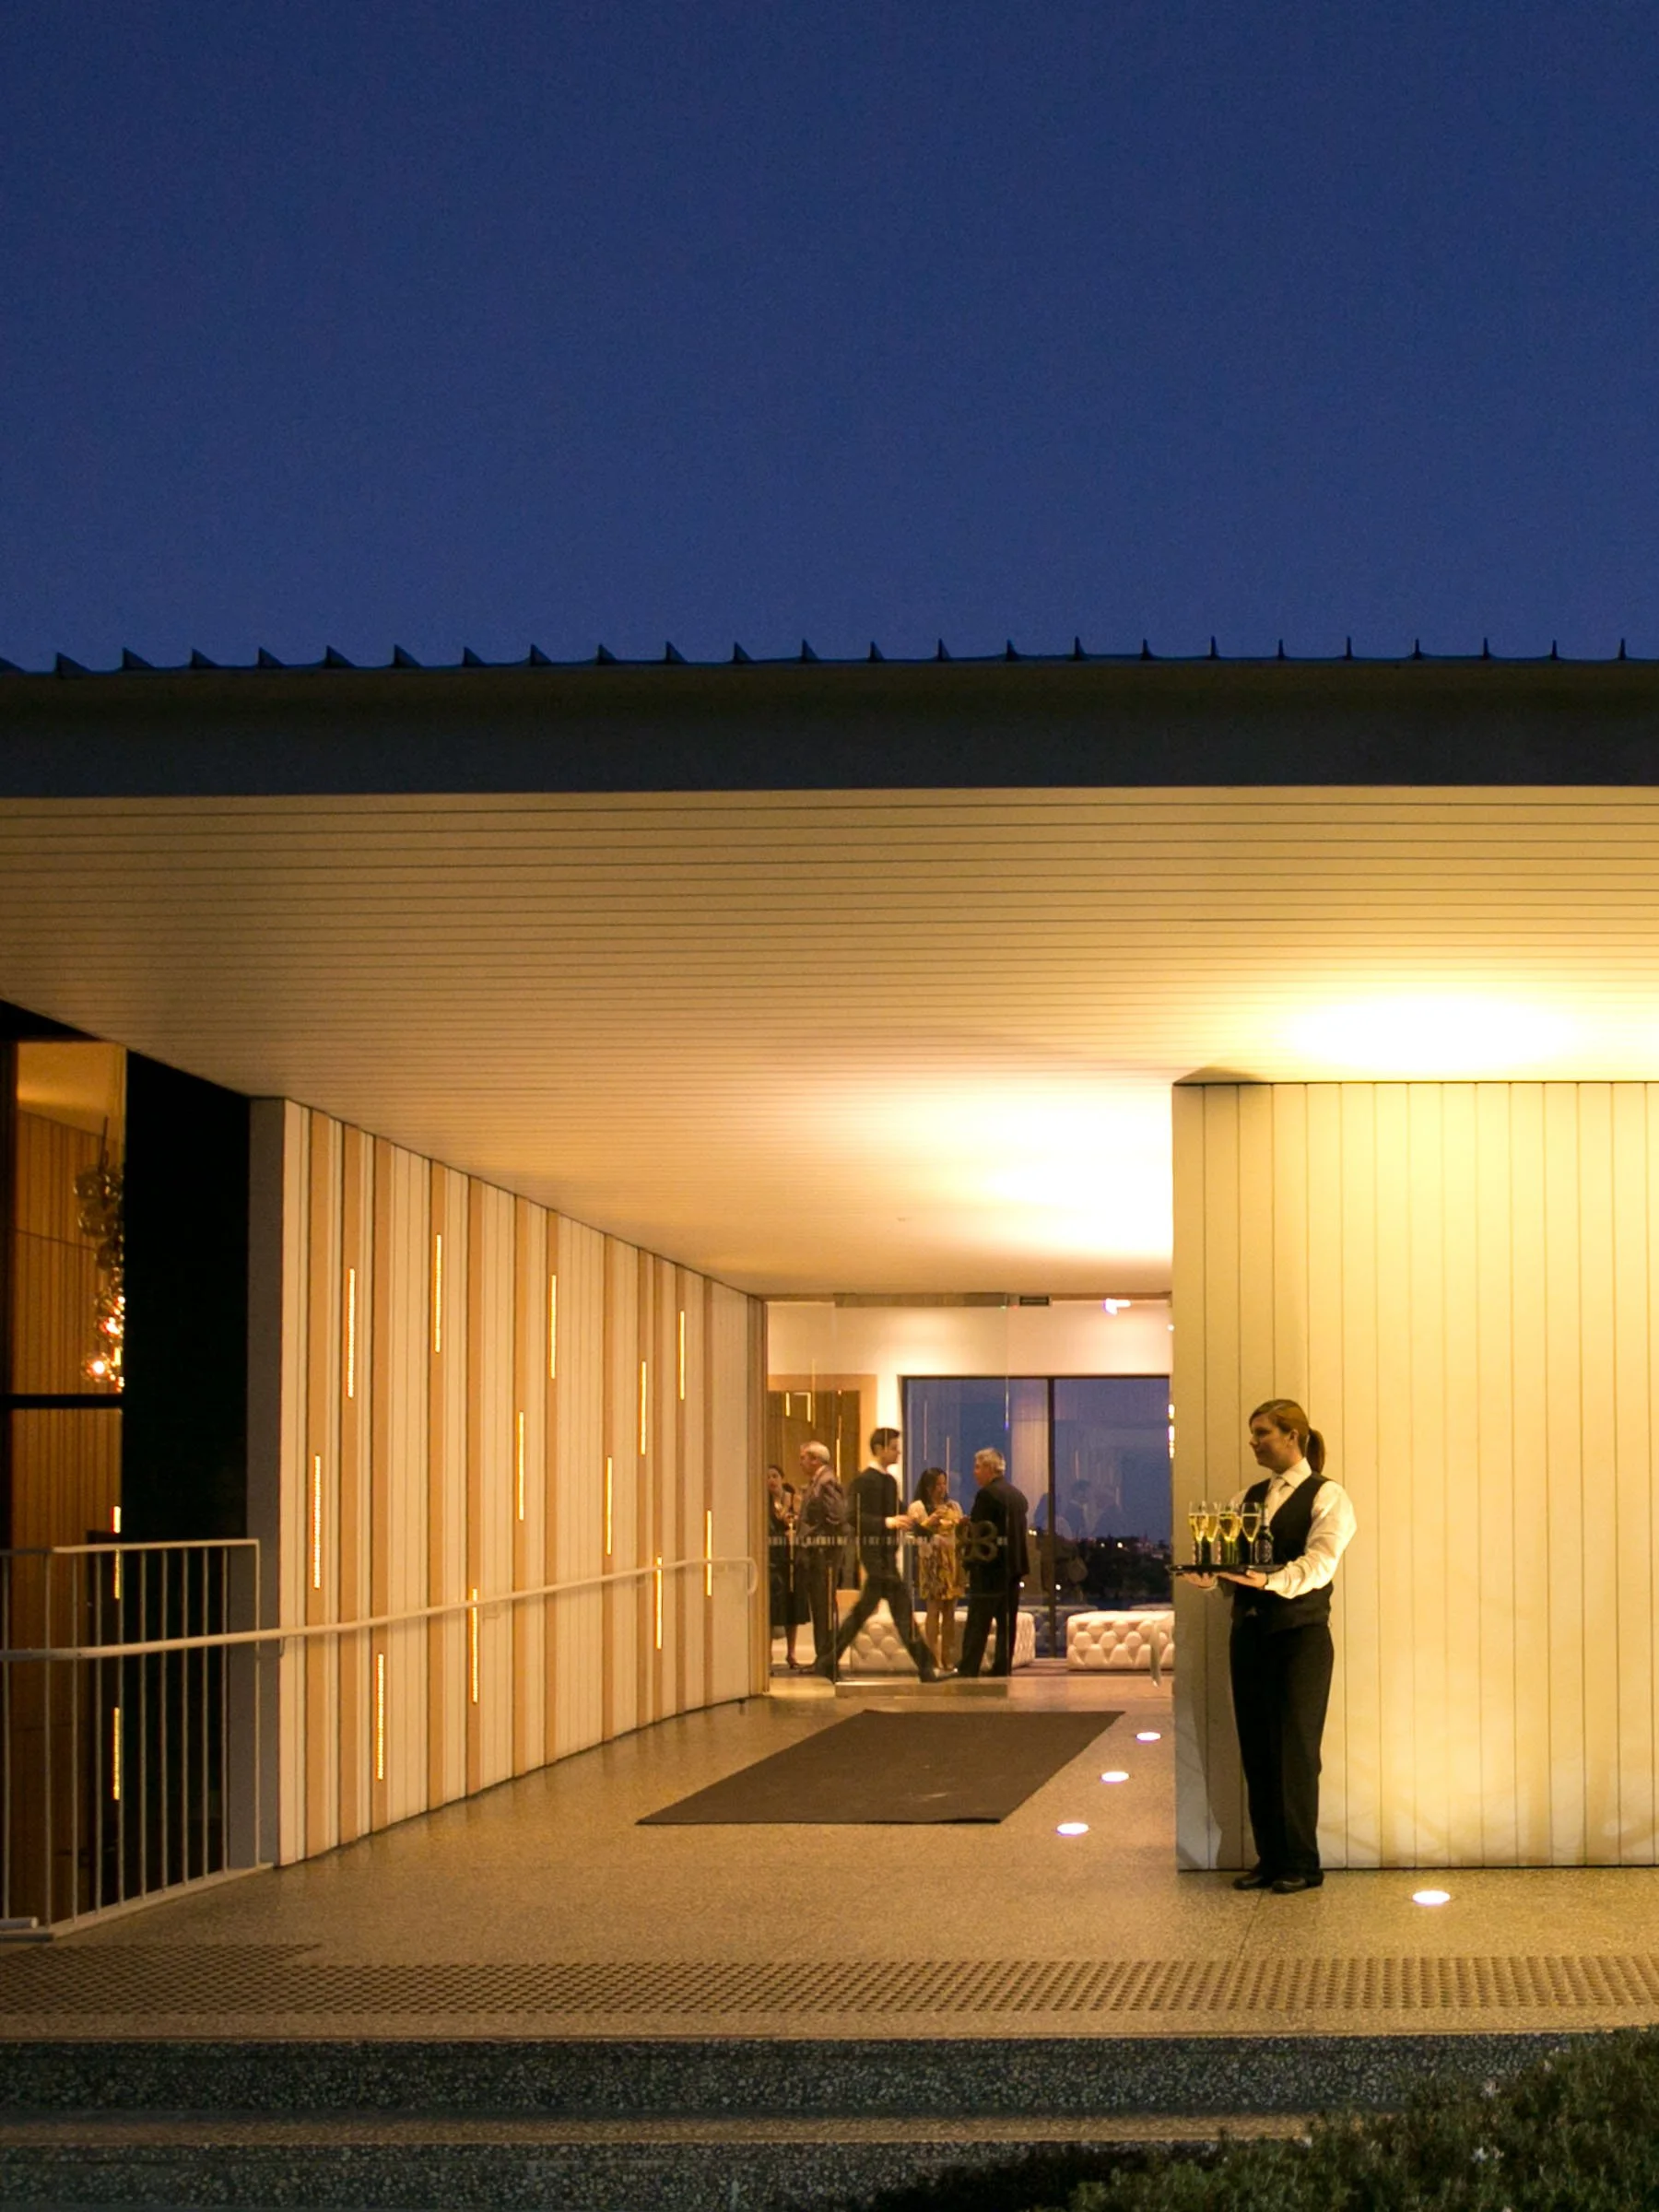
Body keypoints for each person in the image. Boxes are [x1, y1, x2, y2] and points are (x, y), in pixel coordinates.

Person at [1190, 1397, 1357, 1895]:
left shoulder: (1329, 1496)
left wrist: (1265, 1584)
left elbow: (1319, 1566)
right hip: (1250, 1635)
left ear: (1293, 1436)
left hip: (1300, 1638)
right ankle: (1270, 1858)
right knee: (1257, 1748)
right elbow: (1234, 1572)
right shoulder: (1246, 1496)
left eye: (1262, 1432)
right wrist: (1213, 1581)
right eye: (1252, 1432)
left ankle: (1302, 1863)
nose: (1253, 1441)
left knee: (1297, 1751)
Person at [830, 1429, 947, 1682]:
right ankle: (926, 1668)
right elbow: (853, 1517)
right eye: (894, 1447)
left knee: (866, 1612)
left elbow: (902, 1514)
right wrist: (887, 1522)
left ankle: (828, 1660)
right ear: (879, 1449)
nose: (898, 1451)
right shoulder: (864, 1481)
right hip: (875, 1558)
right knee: (900, 1612)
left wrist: (927, 1535)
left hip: (886, 1558)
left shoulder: (889, 1482)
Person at [956, 1447, 1029, 1678]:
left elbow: (979, 1535)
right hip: (1013, 1567)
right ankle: (1002, 1666)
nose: (975, 1472)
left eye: (978, 1467)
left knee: (978, 1622)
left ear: (989, 1468)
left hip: (989, 1569)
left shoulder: (986, 1495)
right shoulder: (1017, 1495)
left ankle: (969, 1668)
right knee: (1007, 1622)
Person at [794, 1442, 847, 1671]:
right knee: (819, 1606)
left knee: (824, 1606)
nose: (801, 1462)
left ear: (816, 1459)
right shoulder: (819, 1481)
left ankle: (826, 1659)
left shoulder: (827, 1482)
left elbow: (836, 1517)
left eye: (804, 1457)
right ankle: (823, 1657)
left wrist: (815, 1539)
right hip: (817, 1554)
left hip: (824, 1555)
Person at [907, 1465, 965, 1670]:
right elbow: (913, 1536)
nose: (941, 1488)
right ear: (928, 1486)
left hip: (953, 1563)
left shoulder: (954, 1506)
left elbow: (960, 1532)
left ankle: (948, 1656)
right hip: (932, 1563)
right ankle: (933, 1657)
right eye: (937, 1484)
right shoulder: (918, 1507)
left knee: (950, 1612)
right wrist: (929, 1521)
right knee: (933, 1610)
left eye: (944, 1483)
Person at [766, 1465, 806, 1670]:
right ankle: (768, 1654)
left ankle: (791, 1653)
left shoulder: (793, 1500)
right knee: (772, 1609)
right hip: (773, 1560)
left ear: (782, 1478)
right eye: (767, 1477)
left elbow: (803, 1523)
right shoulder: (763, 1503)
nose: (771, 1481)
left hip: (793, 1559)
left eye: (774, 1476)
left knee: (793, 1607)